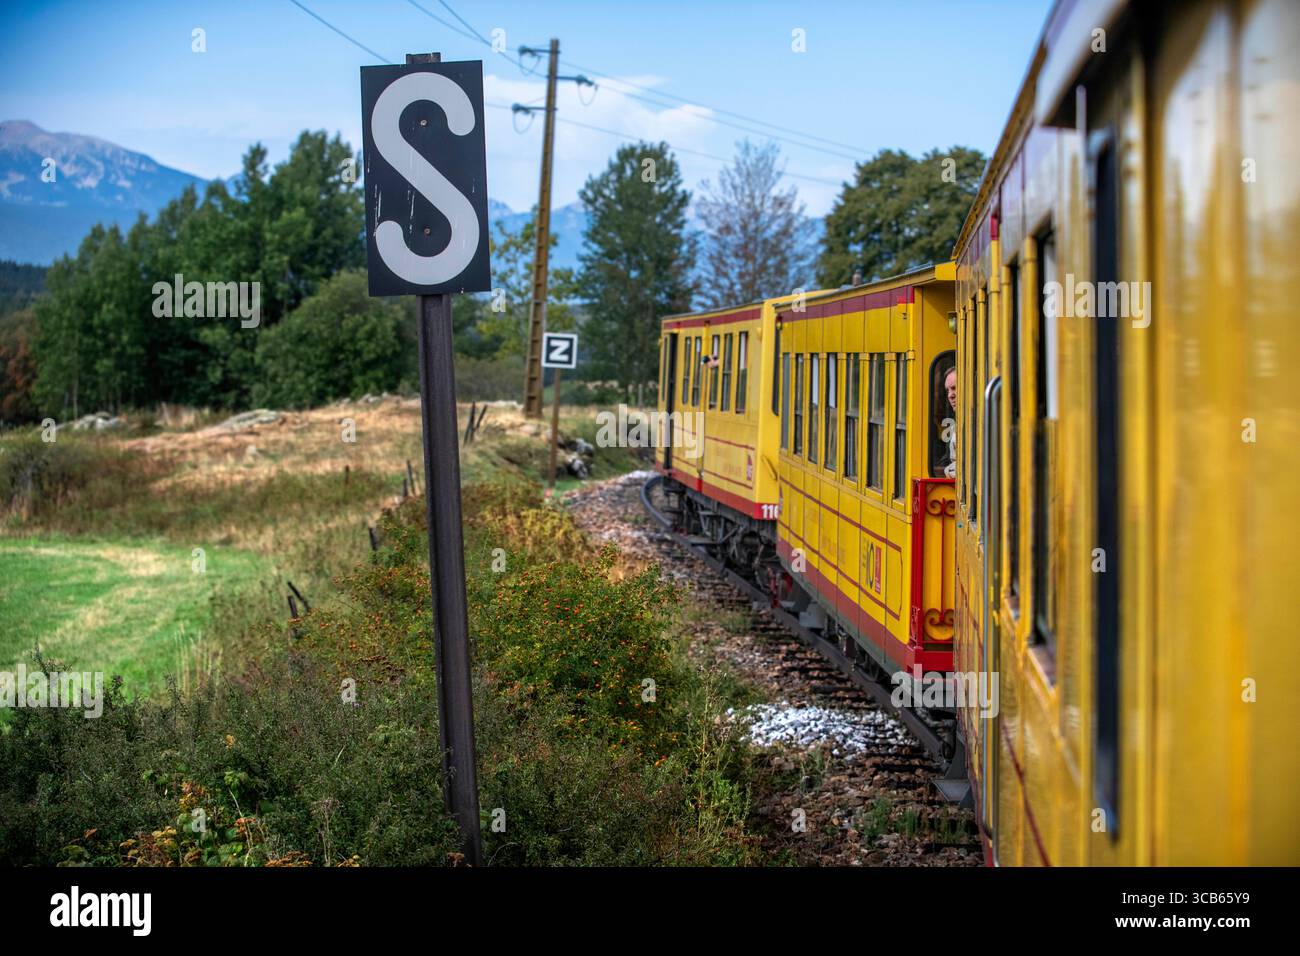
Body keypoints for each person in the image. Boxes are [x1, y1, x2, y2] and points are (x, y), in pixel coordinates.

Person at [940, 366, 957, 478]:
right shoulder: (957, 425)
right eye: (948, 390)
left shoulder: (979, 424)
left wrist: (947, 471)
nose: (950, 395)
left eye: (954, 388)